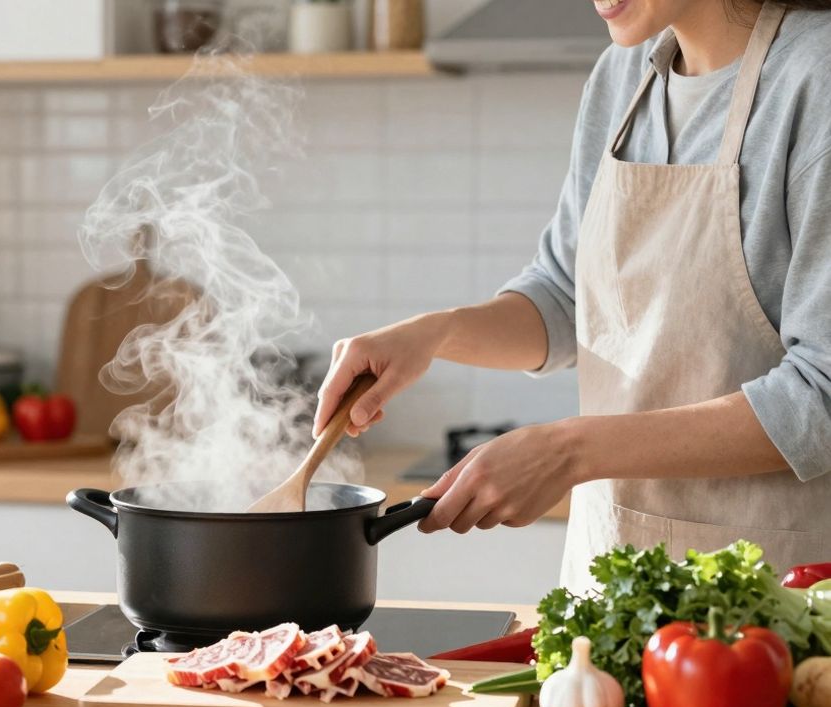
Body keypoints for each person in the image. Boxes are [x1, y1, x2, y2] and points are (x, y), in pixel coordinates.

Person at [313, 0, 831, 590]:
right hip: (614, 587)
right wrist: (436, 332)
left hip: (771, 605)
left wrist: (569, 450)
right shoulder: (622, 74)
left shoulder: (815, 76)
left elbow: (822, 395)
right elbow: (564, 298)